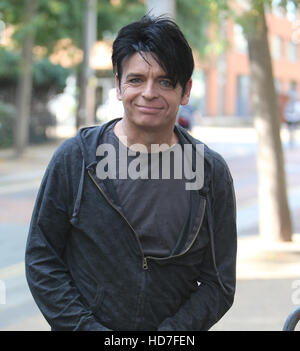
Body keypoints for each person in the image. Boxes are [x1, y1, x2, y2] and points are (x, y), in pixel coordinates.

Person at [25, 15, 237, 331]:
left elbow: (218, 282)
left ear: (185, 91)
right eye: (136, 79)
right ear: (118, 86)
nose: (149, 93)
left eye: (165, 81)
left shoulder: (210, 172)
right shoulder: (76, 158)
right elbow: (42, 261)